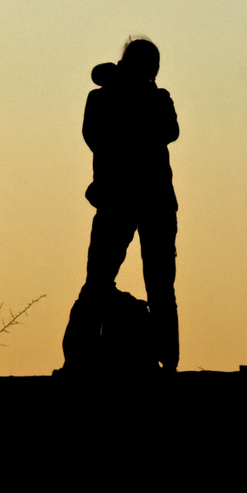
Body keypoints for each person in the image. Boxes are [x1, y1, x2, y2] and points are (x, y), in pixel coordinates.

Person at [62, 37, 180, 374]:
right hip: (134, 198)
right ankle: (161, 361)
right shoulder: (113, 98)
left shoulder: (144, 98)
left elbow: (168, 132)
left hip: (129, 199)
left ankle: (163, 361)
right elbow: (99, 138)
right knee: (115, 282)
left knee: (121, 282)